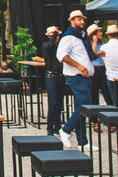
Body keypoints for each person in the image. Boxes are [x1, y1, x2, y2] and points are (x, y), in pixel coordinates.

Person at [57, 10, 94, 150]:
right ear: (72, 21)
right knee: (85, 105)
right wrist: (79, 66)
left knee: (81, 108)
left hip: (84, 76)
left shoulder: (81, 37)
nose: (82, 22)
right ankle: (65, 130)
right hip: (76, 76)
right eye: (79, 19)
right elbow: (61, 55)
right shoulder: (68, 37)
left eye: (83, 19)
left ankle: (82, 142)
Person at [41, 25, 64, 135]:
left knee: (59, 103)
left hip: (60, 76)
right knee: (53, 102)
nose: (57, 38)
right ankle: (49, 127)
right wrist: (54, 33)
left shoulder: (61, 47)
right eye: (55, 36)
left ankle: (57, 125)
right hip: (51, 77)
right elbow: (50, 45)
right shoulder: (46, 45)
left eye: (58, 36)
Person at [87, 24, 113, 105]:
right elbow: (92, 55)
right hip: (93, 69)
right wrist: (94, 42)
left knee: (107, 92)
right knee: (93, 93)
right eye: (99, 32)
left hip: (102, 68)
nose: (101, 34)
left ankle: (112, 108)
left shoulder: (102, 45)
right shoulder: (89, 44)